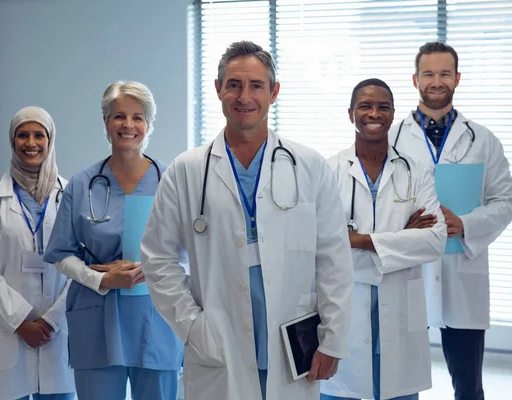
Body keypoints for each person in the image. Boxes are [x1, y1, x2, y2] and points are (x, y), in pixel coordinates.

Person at [140, 40, 354, 400]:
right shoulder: (188, 170)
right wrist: (193, 326)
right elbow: (158, 258)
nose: (245, 96)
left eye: (256, 85)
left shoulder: (309, 165)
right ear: (218, 90)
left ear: (274, 92)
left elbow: (333, 256)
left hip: (293, 339)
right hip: (217, 338)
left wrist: (333, 338)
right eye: (234, 85)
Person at [390, 42, 512, 400]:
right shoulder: (393, 140)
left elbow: (505, 202)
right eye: (428, 73)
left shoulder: (484, 140)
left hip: (462, 270)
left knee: (468, 385)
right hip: (410, 269)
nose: (436, 80)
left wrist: (464, 223)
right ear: (415, 79)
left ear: (457, 78)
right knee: (402, 382)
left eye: (445, 73)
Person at [43, 81, 182, 400]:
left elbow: (192, 249)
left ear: (149, 124)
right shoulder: (81, 184)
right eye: (119, 116)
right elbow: (62, 253)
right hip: (97, 318)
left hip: (157, 317)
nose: (128, 125)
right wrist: (102, 278)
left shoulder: (172, 182)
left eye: (138, 117)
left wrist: (149, 267)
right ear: (106, 122)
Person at [321, 79, 446, 400]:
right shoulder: (328, 171)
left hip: (400, 305)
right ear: (351, 114)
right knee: (342, 389)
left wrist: (359, 240)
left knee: (398, 390)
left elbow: (434, 241)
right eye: (365, 105)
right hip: (345, 304)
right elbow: (321, 243)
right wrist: (404, 238)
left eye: (383, 106)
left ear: (392, 115)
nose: (374, 113)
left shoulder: (416, 171)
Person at [0, 107, 74, 400]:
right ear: (12, 141)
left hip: (56, 329)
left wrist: (52, 320)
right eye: (22, 135)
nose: (31, 143)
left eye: (39, 135)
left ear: (50, 140)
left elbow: (81, 266)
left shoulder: (70, 195)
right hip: (6, 329)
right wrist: (20, 321)